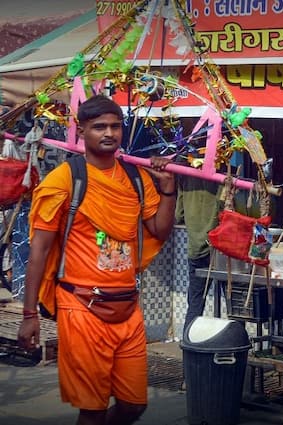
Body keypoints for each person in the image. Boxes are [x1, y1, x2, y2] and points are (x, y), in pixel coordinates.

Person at [17, 94, 176, 425]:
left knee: (134, 405)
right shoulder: (64, 179)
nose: (109, 133)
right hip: (81, 307)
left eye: (115, 126)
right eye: (99, 126)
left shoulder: (136, 178)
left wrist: (169, 191)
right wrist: (29, 314)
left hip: (127, 307)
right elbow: (39, 252)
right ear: (82, 130)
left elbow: (160, 230)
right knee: (93, 411)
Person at [176, 175, 221, 332]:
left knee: (195, 302)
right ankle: (234, 345)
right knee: (233, 303)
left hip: (195, 248)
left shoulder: (186, 178)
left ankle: (189, 342)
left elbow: (178, 215)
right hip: (221, 249)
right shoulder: (222, 177)